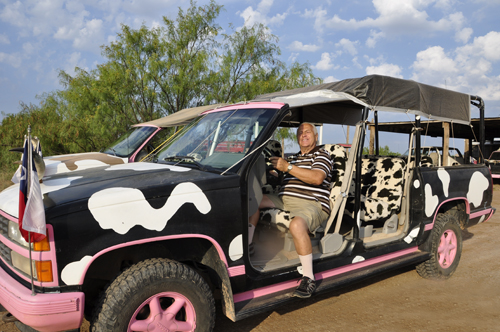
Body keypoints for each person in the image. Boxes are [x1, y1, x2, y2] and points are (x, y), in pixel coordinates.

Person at [249, 123, 333, 298]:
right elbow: (287, 176)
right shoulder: (293, 158)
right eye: (300, 132)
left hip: (312, 203)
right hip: (285, 200)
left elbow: (317, 178)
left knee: (296, 225)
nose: (303, 135)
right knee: (252, 201)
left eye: (307, 132)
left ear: (316, 136)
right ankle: (248, 245)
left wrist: (287, 167)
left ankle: (309, 277)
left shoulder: (322, 155)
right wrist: (275, 172)